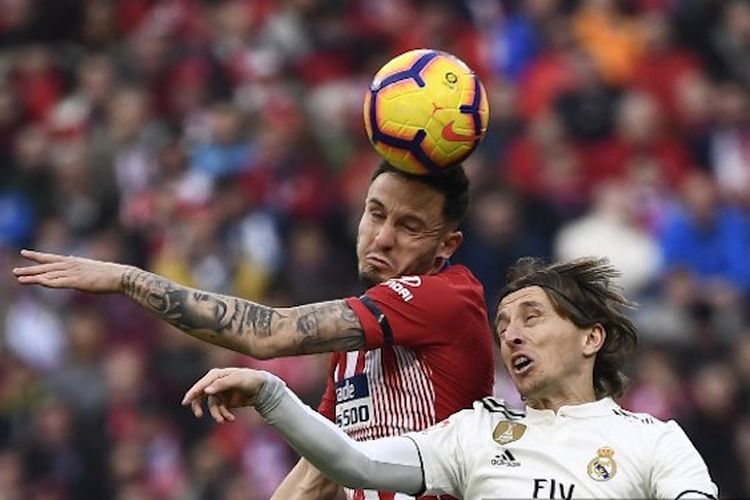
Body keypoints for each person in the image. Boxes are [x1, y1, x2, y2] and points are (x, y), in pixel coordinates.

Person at [12, 161, 495, 499]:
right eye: (376, 213)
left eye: (410, 227)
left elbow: (270, 334)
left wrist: (128, 279)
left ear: (446, 245)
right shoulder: (358, 341)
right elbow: (320, 471)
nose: (383, 237)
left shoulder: (446, 298)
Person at [181, 257, 718, 499]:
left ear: (590, 338)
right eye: (502, 325)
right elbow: (359, 463)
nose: (510, 336)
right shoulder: (476, 434)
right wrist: (271, 392)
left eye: (532, 317)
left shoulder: (654, 441)